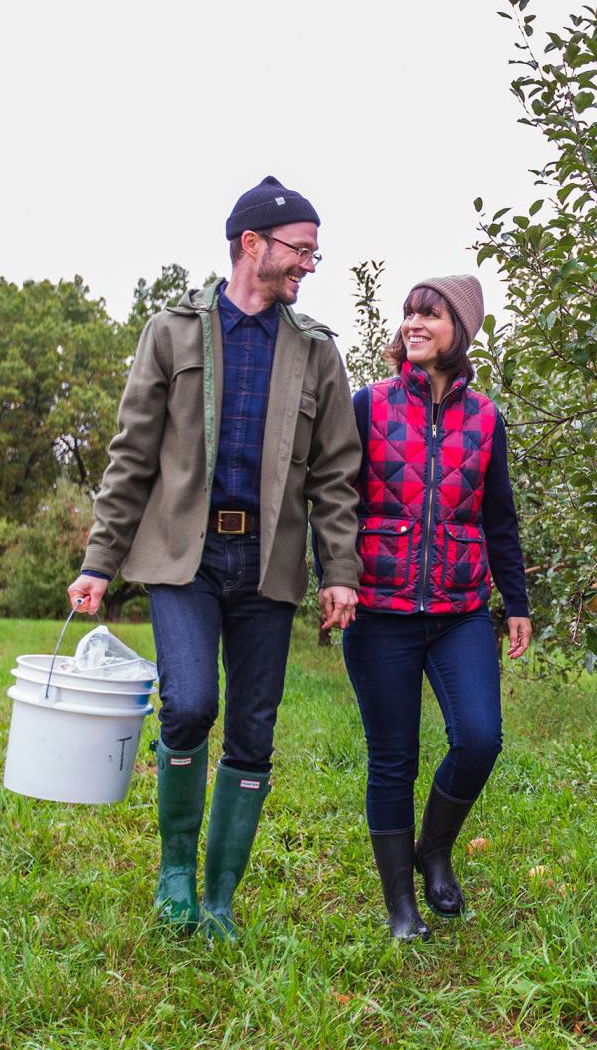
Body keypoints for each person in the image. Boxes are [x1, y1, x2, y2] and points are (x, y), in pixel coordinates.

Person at [67, 176, 362, 941]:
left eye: (314, 255)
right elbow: (132, 454)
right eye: (301, 250)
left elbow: (335, 476)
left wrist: (340, 574)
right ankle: (174, 874)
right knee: (191, 702)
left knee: (254, 731)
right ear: (251, 243)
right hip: (184, 560)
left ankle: (220, 898)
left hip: (267, 565)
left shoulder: (317, 353)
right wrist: (99, 562)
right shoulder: (172, 333)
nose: (308, 265)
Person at [344, 275, 531, 942]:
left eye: (430, 313)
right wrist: (335, 578)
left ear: (461, 329)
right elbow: (336, 505)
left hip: (459, 611)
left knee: (480, 738)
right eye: (409, 313)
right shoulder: (368, 405)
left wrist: (518, 601)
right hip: (379, 611)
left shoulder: (485, 419)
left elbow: (499, 517)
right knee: (392, 758)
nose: (413, 323)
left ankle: (435, 849)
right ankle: (401, 907)